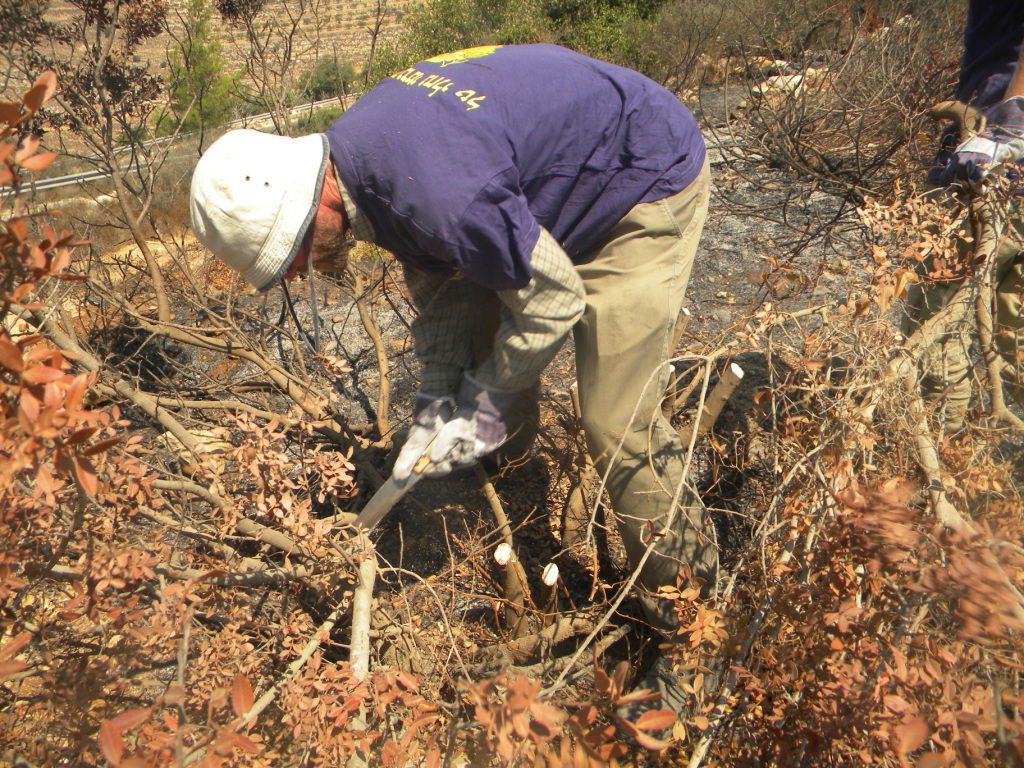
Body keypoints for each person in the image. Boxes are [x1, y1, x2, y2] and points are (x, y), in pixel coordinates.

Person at [190, 43, 715, 721]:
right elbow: (442, 289)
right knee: (479, 363)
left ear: (313, 193)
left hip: (638, 179)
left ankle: (694, 623)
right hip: (540, 190)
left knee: (618, 420)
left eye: (292, 252)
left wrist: (487, 398)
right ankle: (514, 488)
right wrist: (437, 408)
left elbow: (555, 301)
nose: (296, 272)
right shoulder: (365, 169)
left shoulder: (433, 189)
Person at [910, 1, 1024, 430]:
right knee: (1016, 334)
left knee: (936, 320)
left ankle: (933, 464)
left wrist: (1014, 120)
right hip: (996, 145)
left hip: (994, 152)